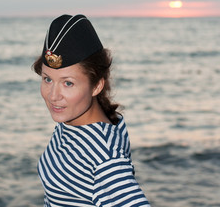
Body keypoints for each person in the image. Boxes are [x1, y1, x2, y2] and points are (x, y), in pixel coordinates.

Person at [32, 14, 150, 207]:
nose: (53, 95)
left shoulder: (103, 155)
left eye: (68, 83)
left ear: (96, 86)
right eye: (47, 79)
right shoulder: (74, 122)